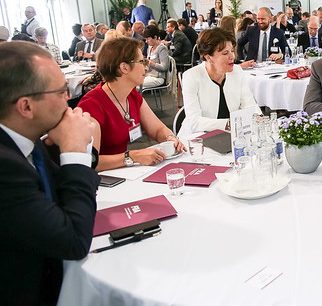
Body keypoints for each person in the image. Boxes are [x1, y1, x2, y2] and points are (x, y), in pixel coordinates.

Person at [0, 41, 100, 305]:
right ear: (26, 107)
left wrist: (75, 148)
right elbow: (74, 241)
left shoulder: (27, 139)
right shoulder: (5, 169)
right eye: (61, 91)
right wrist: (74, 149)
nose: (69, 98)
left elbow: (63, 189)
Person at [78, 37, 185, 171]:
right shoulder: (91, 105)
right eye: (142, 61)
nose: (146, 67)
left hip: (121, 172)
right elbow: (89, 162)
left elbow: (157, 129)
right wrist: (132, 156)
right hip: (102, 178)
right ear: (124, 68)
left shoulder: (132, 95)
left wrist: (169, 138)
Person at [181, 29, 260, 136]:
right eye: (225, 53)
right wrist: (230, 123)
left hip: (232, 134)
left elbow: (250, 105)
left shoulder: (237, 71)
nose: (232, 57)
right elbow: (195, 122)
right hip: (198, 136)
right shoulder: (191, 77)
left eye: (232, 51)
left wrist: (258, 117)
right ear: (208, 57)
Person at [142, 24, 169, 89]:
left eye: (148, 39)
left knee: (137, 84)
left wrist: (150, 63)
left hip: (158, 77)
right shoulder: (150, 47)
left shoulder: (162, 48)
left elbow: (164, 67)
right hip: (148, 76)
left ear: (155, 37)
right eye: (146, 39)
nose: (146, 41)